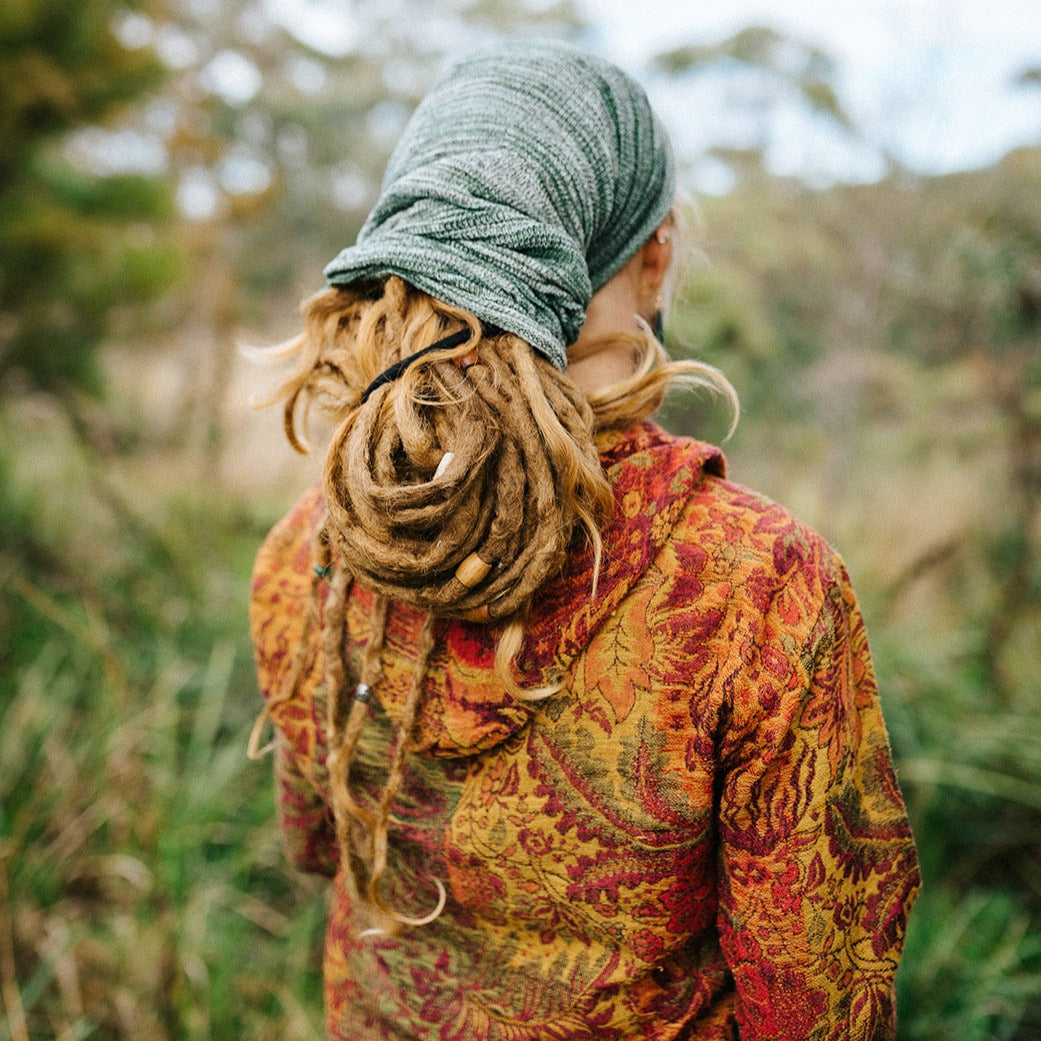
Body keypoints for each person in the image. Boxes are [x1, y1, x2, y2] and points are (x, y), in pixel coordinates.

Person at [249, 39, 920, 1041]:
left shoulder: (325, 541)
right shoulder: (758, 588)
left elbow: (315, 842)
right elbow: (818, 999)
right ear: (653, 259)